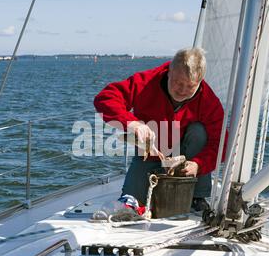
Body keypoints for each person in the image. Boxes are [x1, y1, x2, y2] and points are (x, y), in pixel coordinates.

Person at [94, 47, 226, 213]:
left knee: (199, 131)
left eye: (190, 86)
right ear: (169, 72)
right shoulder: (146, 82)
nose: (182, 90)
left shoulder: (208, 101)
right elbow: (104, 98)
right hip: (150, 155)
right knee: (130, 203)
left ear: (199, 81)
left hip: (186, 160)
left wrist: (199, 165)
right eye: (178, 82)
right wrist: (133, 124)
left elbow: (220, 142)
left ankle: (197, 196)